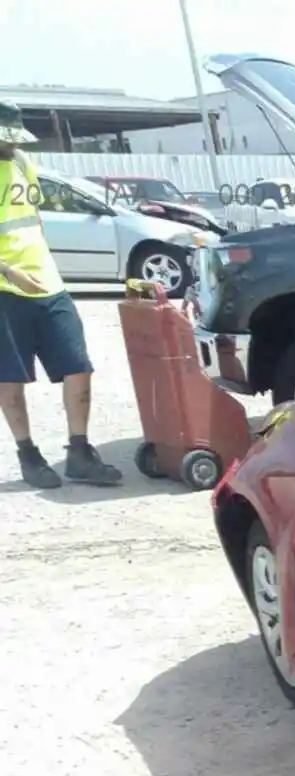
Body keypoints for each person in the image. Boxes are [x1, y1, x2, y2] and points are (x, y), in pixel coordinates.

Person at [0, 102, 121, 488]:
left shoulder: (21, 163)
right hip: (5, 288)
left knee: (77, 365)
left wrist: (42, 262)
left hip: (48, 284)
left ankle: (79, 452)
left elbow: (31, 218)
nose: (11, 144)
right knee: (10, 376)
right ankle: (28, 454)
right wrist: (8, 269)